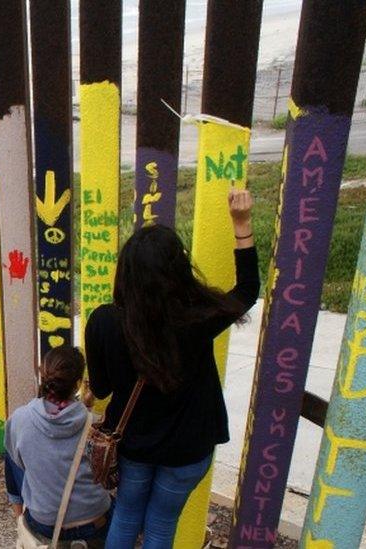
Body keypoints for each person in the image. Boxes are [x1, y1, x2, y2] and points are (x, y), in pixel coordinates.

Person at [85, 189, 259, 549]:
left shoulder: (104, 321)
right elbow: (247, 290)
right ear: (178, 271)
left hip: (133, 444)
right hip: (188, 448)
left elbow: (100, 390)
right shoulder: (197, 318)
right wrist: (241, 224)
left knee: (127, 514)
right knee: (162, 525)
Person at [4, 346, 112, 544]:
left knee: (13, 454)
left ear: (42, 375)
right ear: (78, 384)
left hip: (45, 523)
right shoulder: (96, 425)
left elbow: (19, 464)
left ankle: (18, 514)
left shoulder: (19, 419)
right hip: (94, 522)